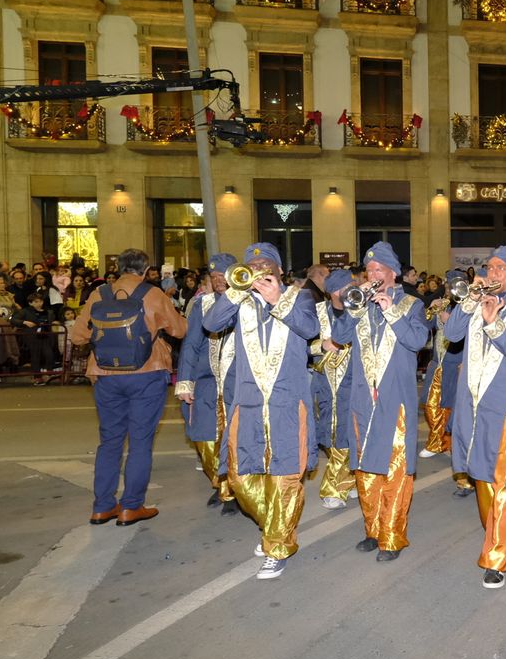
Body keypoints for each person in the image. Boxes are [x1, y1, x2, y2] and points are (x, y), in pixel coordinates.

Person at [203, 243, 320, 580]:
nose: (257, 270)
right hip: (249, 403)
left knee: (285, 476)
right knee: (241, 477)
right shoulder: (240, 300)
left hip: (287, 403)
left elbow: (310, 330)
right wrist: (235, 293)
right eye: (251, 265)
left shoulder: (299, 297)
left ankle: (277, 545)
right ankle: (273, 526)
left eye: (265, 265)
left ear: (279, 271)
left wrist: (276, 300)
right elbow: (211, 322)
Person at [443, 247, 506, 589]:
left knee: (505, 484)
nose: (493, 272)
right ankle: (494, 535)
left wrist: (493, 323)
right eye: (490, 266)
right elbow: (452, 335)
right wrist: (469, 302)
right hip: (472, 403)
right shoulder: (476, 300)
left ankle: (497, 557)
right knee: (481, 476)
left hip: (504, 408)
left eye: (501, 268)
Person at [69, 248, 187, 527]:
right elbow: (180, 330)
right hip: (146, 373)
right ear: (146, 270)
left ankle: (102, 507)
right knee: (140, 442)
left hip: (105, 374)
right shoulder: (153, 294)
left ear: (119, 268)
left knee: (109, 441)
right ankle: (131, 506)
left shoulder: (99, 294)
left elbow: (77, 336)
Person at [333, 242, 430, 561]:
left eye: (378, 270)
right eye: (368, 270)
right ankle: (373, 529)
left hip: (395, 399)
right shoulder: (359, 304)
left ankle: (392, 535)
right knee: (365, 468)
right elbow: (340, 337)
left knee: (395, 467)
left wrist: (390, 310)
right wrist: (352, 307)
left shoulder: (411, 304)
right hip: (363, 399)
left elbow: (418, 340)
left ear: (392, 273)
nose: (372, 275)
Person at [176, 254, 239, 516]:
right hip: (207, 381)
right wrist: (184, 381)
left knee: (234, 438)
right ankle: (220, 482)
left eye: (222, 275)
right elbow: (190, 345)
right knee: (204, 437)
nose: (218, 281)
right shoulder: (201, 304)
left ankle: (232, 491)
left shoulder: (247, 302)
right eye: (213, 277)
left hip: (238, 382)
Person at [420, 270, 474, 496]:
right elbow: (424, 327)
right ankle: (435, 442)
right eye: (448, 284)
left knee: (453, 407)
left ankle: (450, 444)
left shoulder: (469, 306)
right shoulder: (441, 303)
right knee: (431, 405)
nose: (451, 288)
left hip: (457, 363)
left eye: (456, 284)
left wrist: (450, 320)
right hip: (438, 361)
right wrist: (431, 312)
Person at [314, 270, 358, 510]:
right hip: (323, 382)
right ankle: (349, 480)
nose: (352, 289)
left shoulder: (360, 308)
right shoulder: (317, 312)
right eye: (345, 287)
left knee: (348, 432)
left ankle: (333, 487)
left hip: (354, 381)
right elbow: (300, 342)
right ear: (333, 291)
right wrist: (321, 345)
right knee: (327, 436)